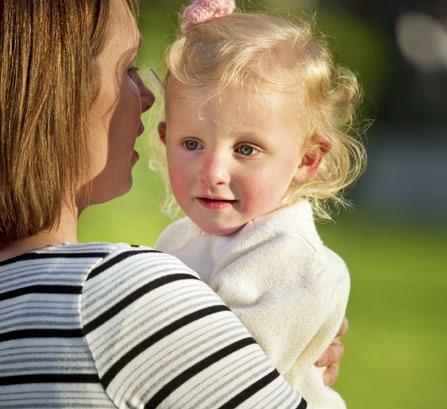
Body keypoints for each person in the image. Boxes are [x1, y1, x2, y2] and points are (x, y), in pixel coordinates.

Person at [0, 0, 347, 408]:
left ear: (308, 159)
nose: (148, 95)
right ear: (54, 90)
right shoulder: (121, 300)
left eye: (247, 148)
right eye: (128, 68)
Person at [154, 1, 366, 408]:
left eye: (246, 149)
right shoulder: (178, 238)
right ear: (165, 139)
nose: (213, 171)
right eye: (192, 144)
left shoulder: (292, 261)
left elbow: (218, 385)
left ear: (306, 159)